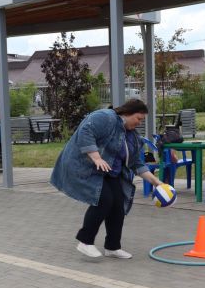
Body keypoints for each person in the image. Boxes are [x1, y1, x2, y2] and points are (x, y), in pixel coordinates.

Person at [50, 100, 162, 259]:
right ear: (128, 113)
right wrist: (96, 157)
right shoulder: (106, 117)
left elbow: (137, 164)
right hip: (86, 167)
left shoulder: (133, 137)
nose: (139, 123)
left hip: (110, 172)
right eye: (139, 118)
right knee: (104, 200)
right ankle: (85, 241)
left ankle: (112, 247)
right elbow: (85, 131)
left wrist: (156, 182)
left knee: (118, 204)